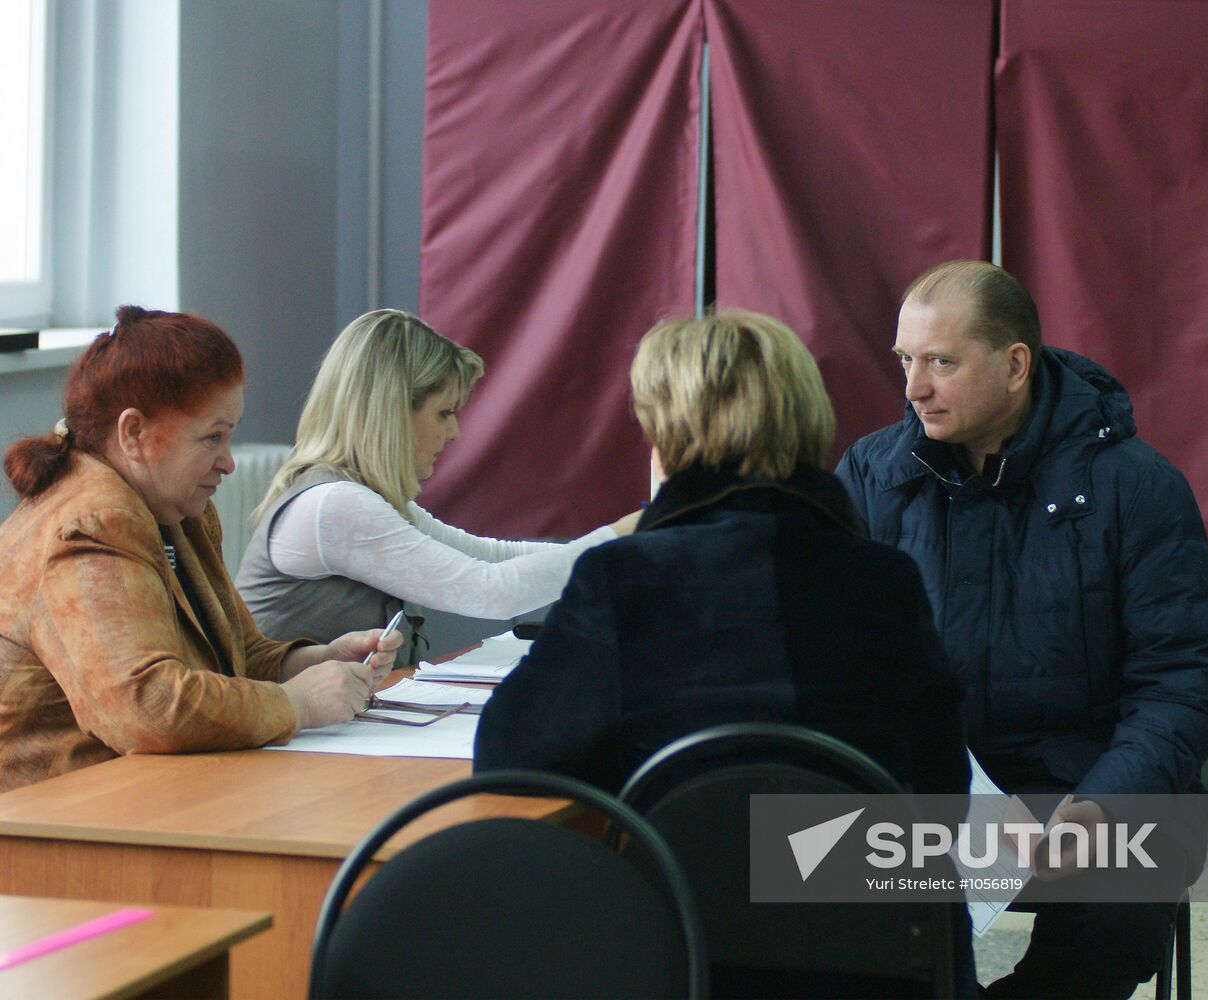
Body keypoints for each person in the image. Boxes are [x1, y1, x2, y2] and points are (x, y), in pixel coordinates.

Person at [474, 309, 976, 996]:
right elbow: (943, 793)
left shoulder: (623, 578)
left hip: (681, 955)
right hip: (880, 961)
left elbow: (506, 756)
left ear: (666, 436)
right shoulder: (885, 581)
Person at [836, 260, 1208, 999]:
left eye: (941, 362)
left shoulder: (1137, 487)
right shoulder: (871, 475)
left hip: (1094, 780)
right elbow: (835, 658)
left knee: (1115, 901)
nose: (914, 387)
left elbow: (1182, 682)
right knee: (794, 874)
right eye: (907, 361)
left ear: (1015, 364)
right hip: (933, 786)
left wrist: (1099, 807)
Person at [0, 307, 401, 793]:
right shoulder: (90, 524)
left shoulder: (176, 511)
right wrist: (296, 704)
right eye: (213, 437)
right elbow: (146, 707)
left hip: (133, 796)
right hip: (54, 825)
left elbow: (235, 653)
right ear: (134, 435)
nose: (228, 462)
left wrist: (313, 661)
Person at [236, 309, 641, 665]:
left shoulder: (360, 497)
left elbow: (494, 557)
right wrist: (620, 535)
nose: (454, 432)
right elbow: (491, 591)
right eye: (444, 413)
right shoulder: (336, 505)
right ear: (392, 414)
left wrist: (615, 545)